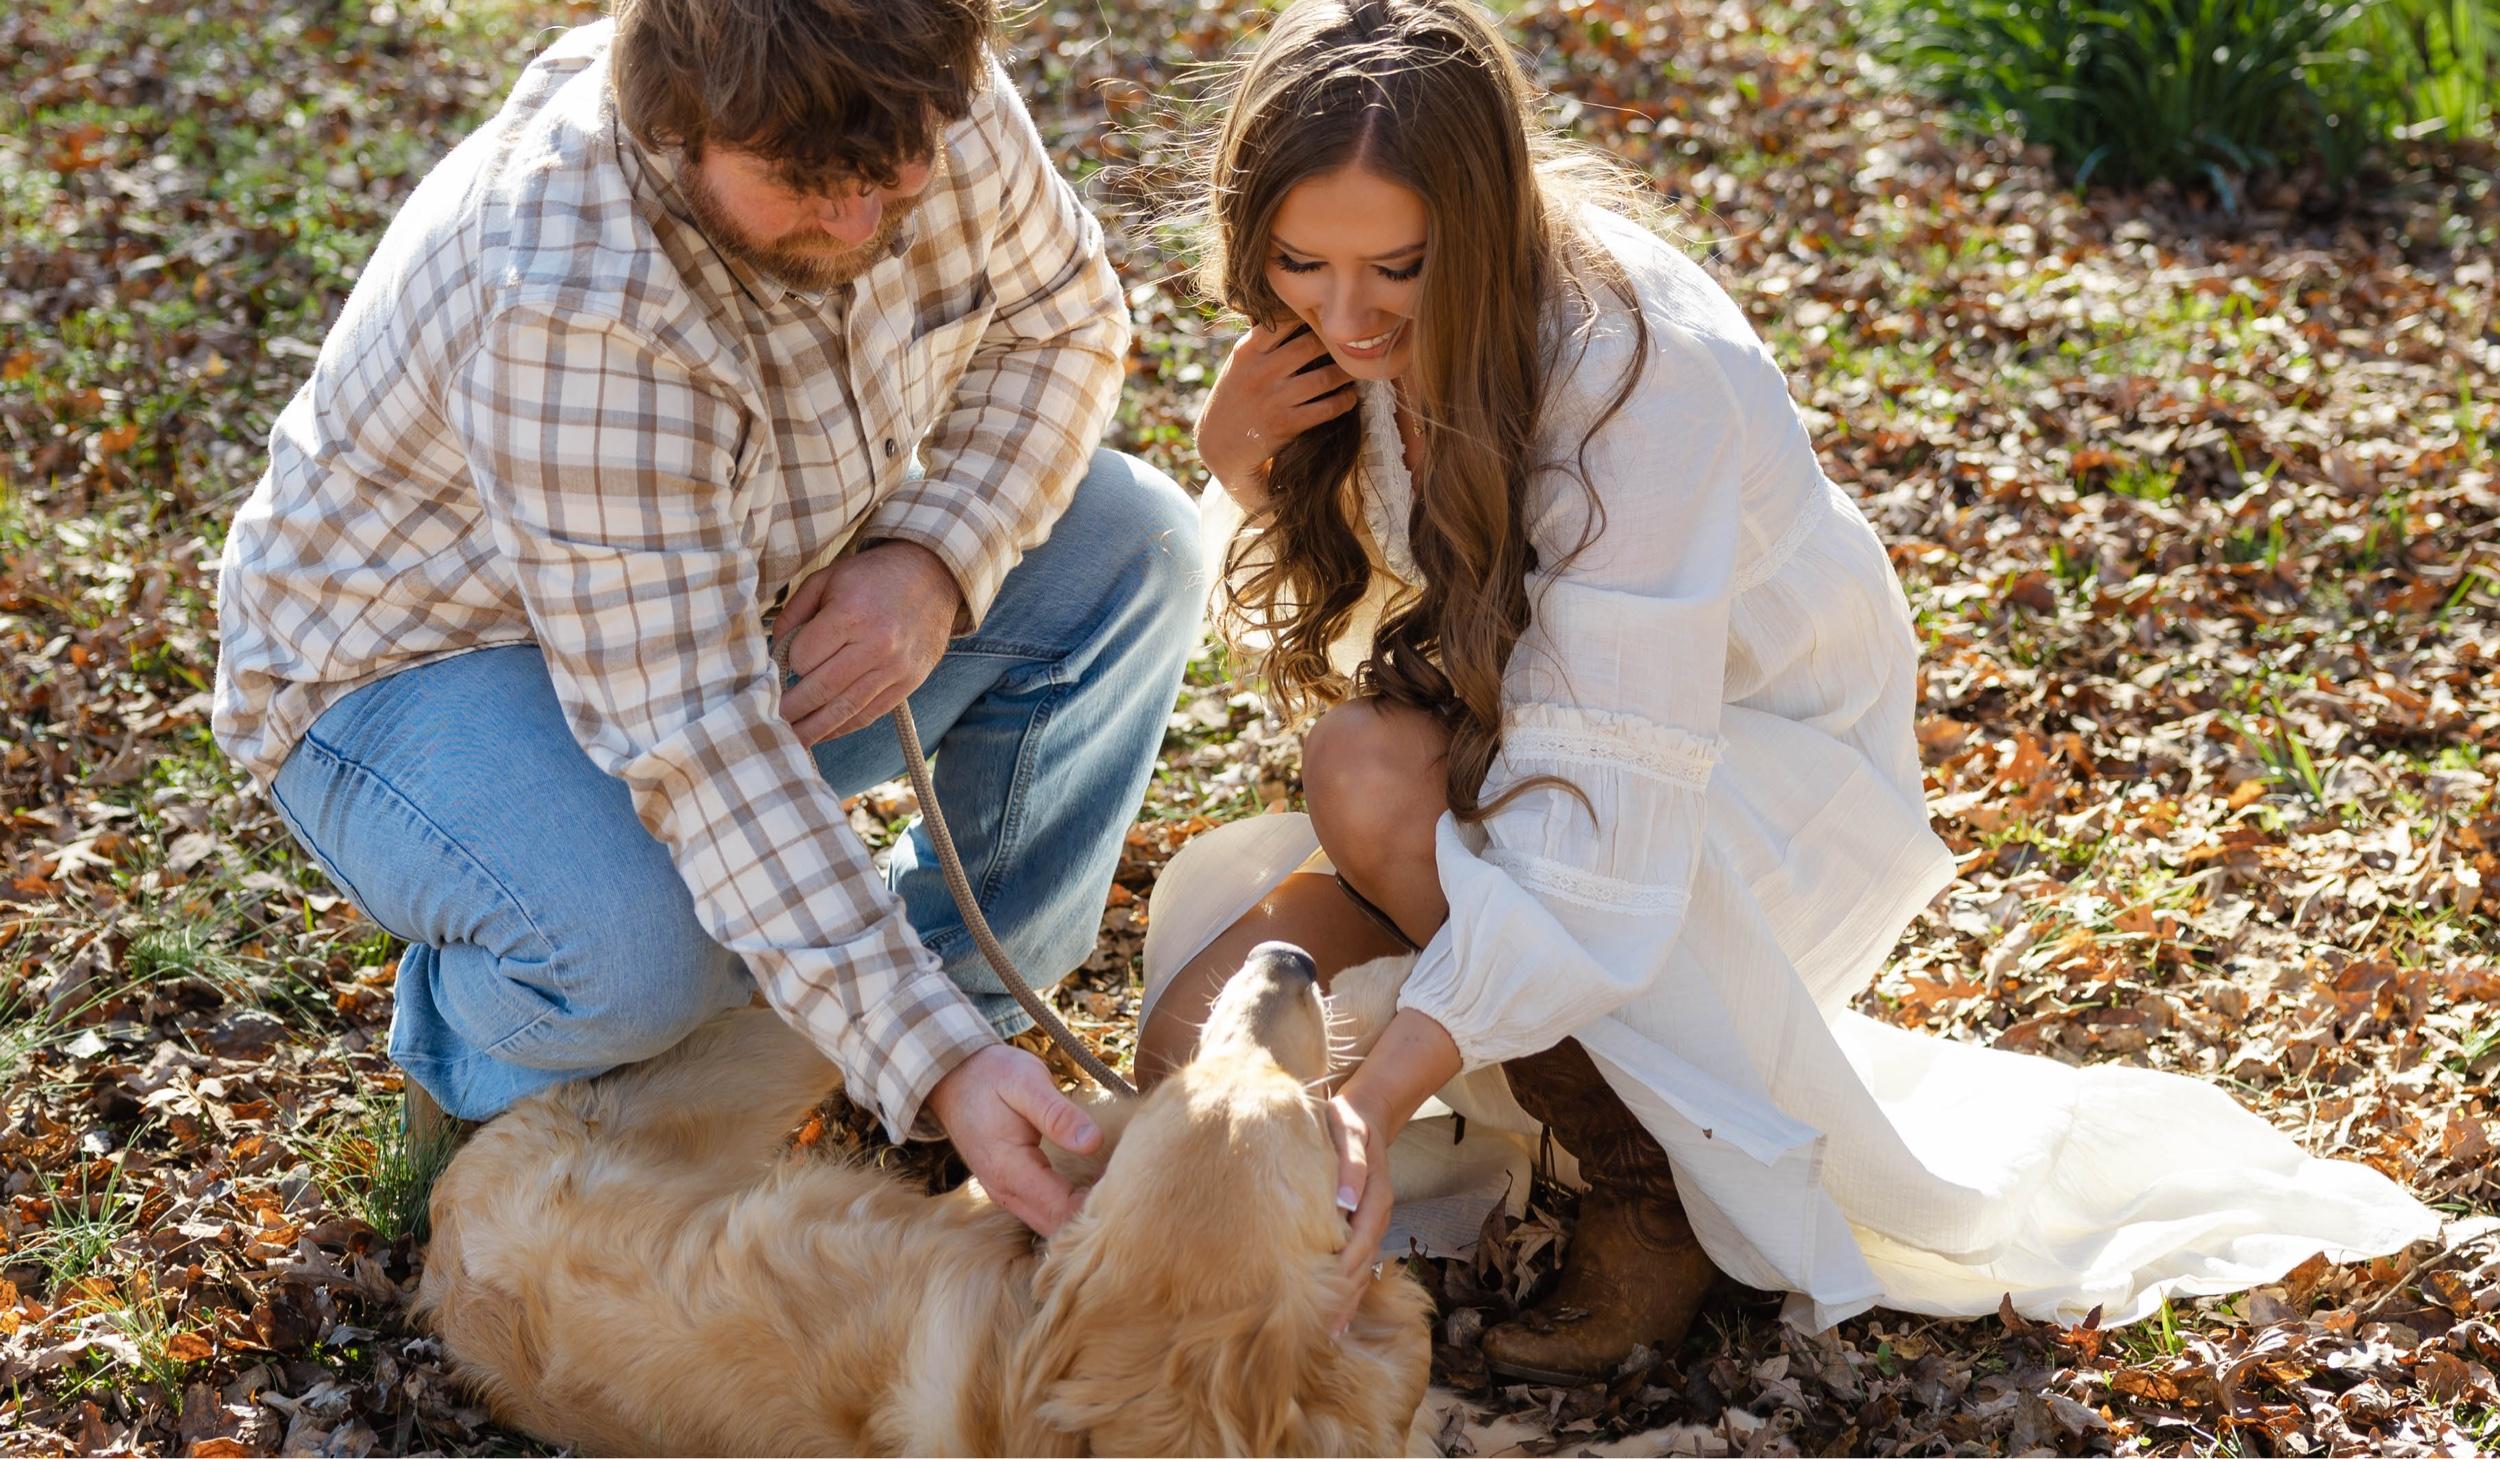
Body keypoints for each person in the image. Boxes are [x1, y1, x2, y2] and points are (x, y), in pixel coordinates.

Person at [1135, 0, 2437, 1383]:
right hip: (1493, 745)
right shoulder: (1334, 350)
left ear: (1479, 217)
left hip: (1731, 780)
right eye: (1298, 261)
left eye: (1395, 264)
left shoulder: (1637, 370)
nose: (1342, 315)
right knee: (1176, 1041)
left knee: (1363, 794)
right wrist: (1249, 461)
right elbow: (1353, 654)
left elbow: (1605, 819)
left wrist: (1386, 1077)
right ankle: (1487, 999)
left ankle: (1644, 1180)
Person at [212, 0, 1202, 1237]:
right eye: (801, 184)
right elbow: (699, 738)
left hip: (729, 590)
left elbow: (1064, 322)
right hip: (410, 662)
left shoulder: (910, 89)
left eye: (885, 184)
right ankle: (478, 1042)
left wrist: (931, 557)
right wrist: (920, 1052)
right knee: (645, 958)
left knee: (1133, 545)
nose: (853, 223)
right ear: (677, 124)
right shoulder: (571, 294)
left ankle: (938, 1032)